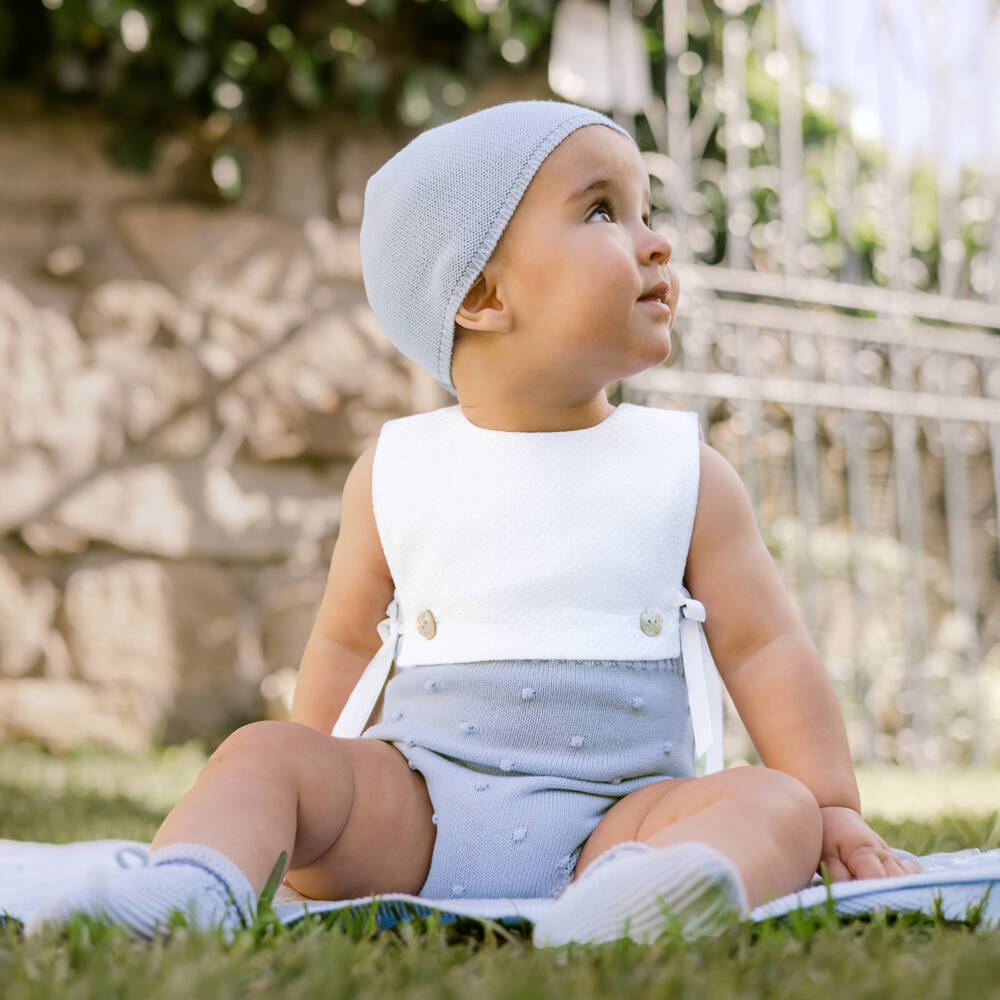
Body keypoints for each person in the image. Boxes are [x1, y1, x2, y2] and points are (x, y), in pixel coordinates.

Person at [27, 99, 921, 946]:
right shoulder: (397, 468)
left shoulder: (684, 471)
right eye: (605, 211)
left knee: (777, 807)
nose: (659, 241)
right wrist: (315, 791)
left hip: (623, 820)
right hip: (419, 810)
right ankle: (189, 886)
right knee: (263, 753)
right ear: (483, 294)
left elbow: (767, 648)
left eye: (647, 210)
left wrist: (830, 804)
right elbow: (345, 643)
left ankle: (645, 901)